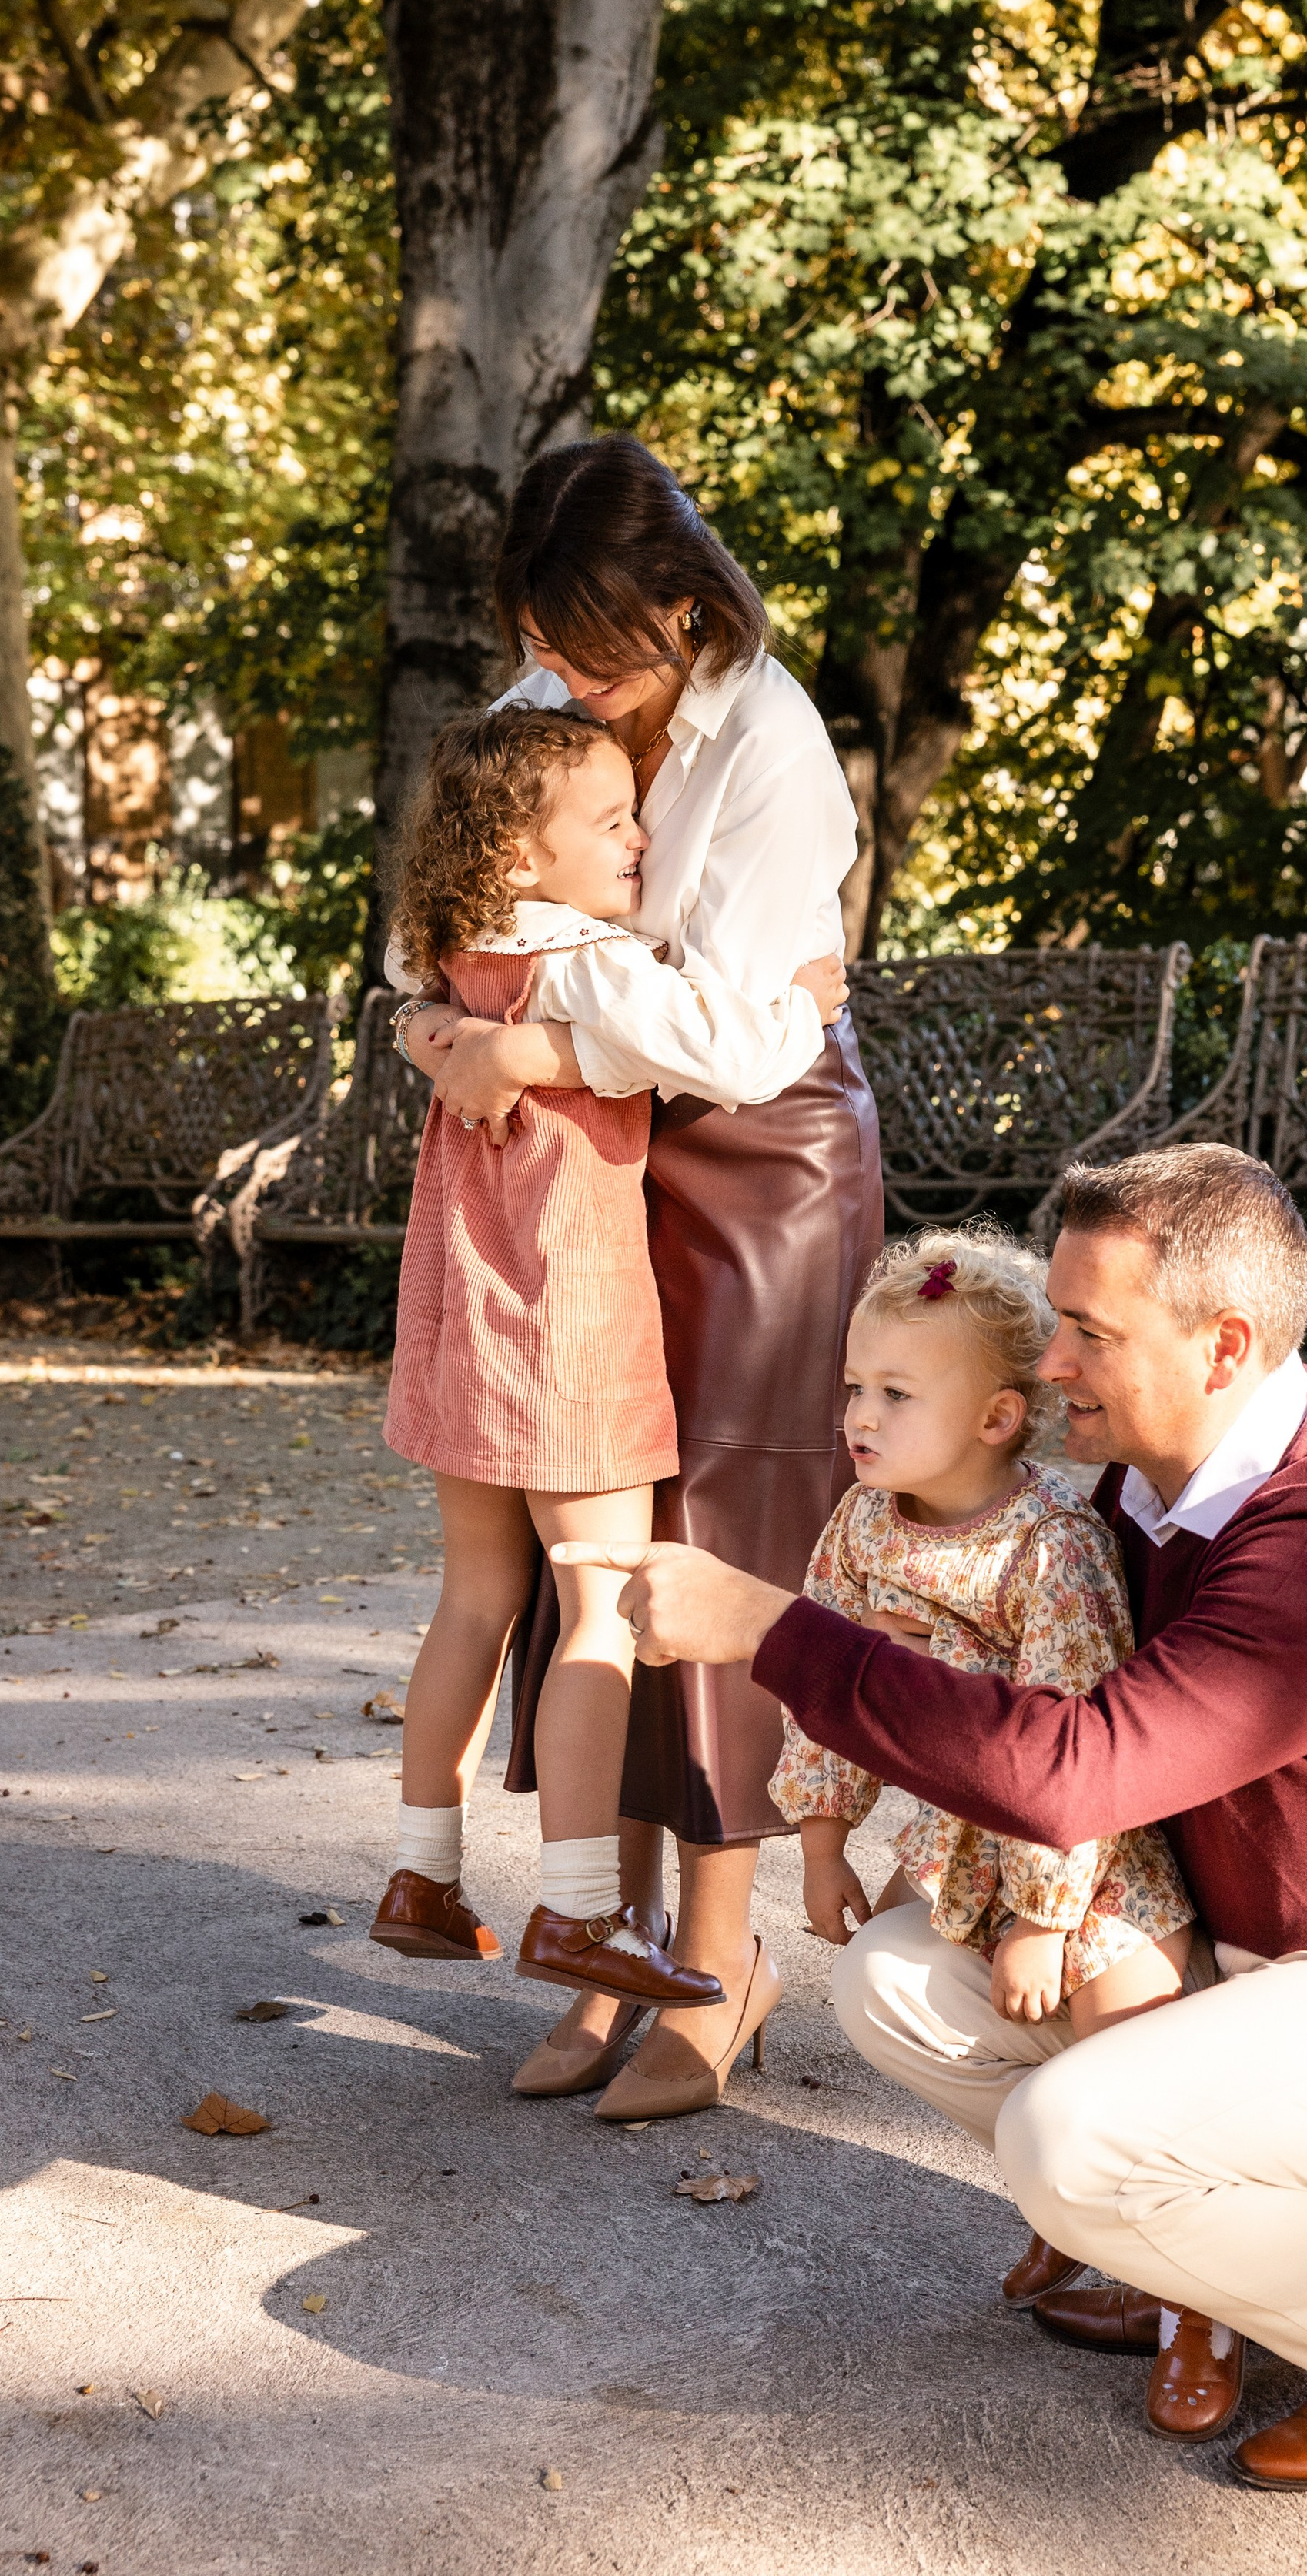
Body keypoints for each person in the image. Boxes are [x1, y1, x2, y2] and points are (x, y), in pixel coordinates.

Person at [593, 1144, 1307, 2488]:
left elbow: (1075, 1771)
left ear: (1225, 1348)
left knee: (1068, 2140)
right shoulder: (1135, 1493)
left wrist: (768, 1630)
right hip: (1283, 1963)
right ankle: (1203, 2258)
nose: (1050, 1368)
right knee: (895, 1981)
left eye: (1089, 1333)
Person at [401, 433, 884, 2119]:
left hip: (761, 1178)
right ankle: (594, 1935)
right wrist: (453, 1022)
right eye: (549, 647)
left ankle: (720, 1961)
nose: (571, 687)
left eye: (598, 655)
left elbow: (754, 1042)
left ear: (683, 611)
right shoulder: (560, 678)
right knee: (575, 1549)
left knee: (711, 1554)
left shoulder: (776, 749)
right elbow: (464, 901)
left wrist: (531, 1039)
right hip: (589, 1171)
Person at [373, 705, 836, 2013]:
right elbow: (728, 1046)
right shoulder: (586, 964)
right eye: (613, 820)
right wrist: (802, 995)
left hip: (460, 1316)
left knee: (473, 1601)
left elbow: (411, 1006)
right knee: (597, 1607)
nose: (641, 837)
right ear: (523, 853)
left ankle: (421, 1872)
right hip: (565, 1322)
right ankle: (578, 1911)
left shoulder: (454, 953)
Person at [754, 1221, 1241, 2433]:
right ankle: (1073, 2217)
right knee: (951, 2019)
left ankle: (1204, 2311)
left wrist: (1041, 1923)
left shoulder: (1052, 1546)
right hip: (962, 1851)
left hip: (1091, 1860)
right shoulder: (863, 1526)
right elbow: (820, 1684)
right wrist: (823, 1840)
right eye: (855, 1388)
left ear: (998, 1421)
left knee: (1121, 2046)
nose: (860, 1416)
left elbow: (1070, 1751)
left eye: (897, 1393)